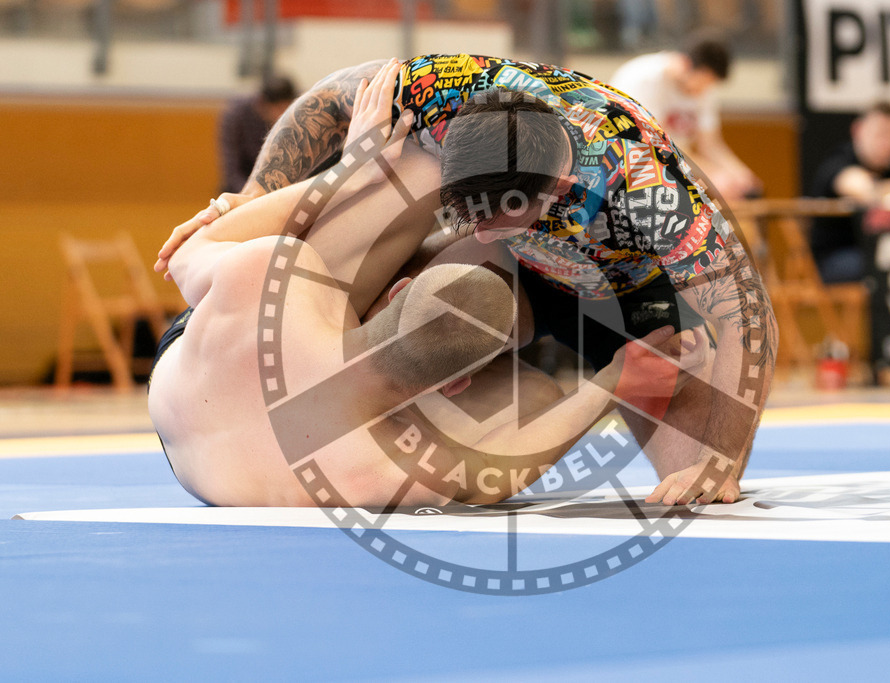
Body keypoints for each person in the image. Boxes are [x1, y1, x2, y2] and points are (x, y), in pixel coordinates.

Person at [157, 54, 774, 506]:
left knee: (698, 477)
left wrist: (343, 173)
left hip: (626, 287)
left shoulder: (655, 195)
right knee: (419, 171)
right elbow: (494, 470)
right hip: (515, 265)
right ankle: (467, 232)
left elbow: (748, 311)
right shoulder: (445, 92)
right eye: (467, 216)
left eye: (492, 217)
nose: (474, 231)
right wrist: (613, 385)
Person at [610, 38, 761, 201]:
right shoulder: (643, 79)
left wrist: (739, 173)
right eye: (703, 81)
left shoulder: (704, 89)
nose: (703, 90)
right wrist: (713, 175)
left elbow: (710, 144)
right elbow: (657, 145)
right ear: (686, 64)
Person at [809, 101, 890, 283]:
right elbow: (867, 191)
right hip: (835, 258)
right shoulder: (840, 160)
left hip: (876, 251)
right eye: (882, 133)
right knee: (889, 262)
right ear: (858, 130)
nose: (889, 143)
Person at [218, 75, 297, 194]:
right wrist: (252, 196)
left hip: (278, 190)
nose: (282, 115)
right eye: (279, 109)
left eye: (287, 109)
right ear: (263, 104)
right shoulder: (236, 116)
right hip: (242, 188)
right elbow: (232, 172)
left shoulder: (295, 116)